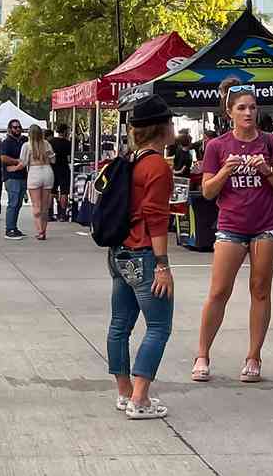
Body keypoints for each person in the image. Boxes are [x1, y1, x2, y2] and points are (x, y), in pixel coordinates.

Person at [192, 79, 273, 384]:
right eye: (242, 108)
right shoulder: (217, 146)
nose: (248, 113)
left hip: (266, 225)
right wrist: (225, 171)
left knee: (260, 289)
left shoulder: (271, 142)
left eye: (252, 107)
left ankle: (253, 356)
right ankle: (202, 354)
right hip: (231, 225)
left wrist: (267, 171)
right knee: (219, 290)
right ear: (230, 112)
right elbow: (207, 192)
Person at [105, 96, 175, 420]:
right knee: (159, 326)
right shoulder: (157, 166)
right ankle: (140, 398)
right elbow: (156, 217)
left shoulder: (129, 161)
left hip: (119, 253)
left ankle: (123, 392)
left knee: (120, 323)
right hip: (145, 253)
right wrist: (162, 265)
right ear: (163, 128)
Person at [20, 126, 55, 240]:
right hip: (47, 171)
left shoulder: (26, 145)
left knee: (36, 205)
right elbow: (53, 159)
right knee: (45, 206)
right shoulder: (46, 144)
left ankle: (39, 230)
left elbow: (24, 162)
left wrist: (14, 167)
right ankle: (43, 231)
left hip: (34, 172)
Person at [0, 118, 28, 239]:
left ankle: (14, 227)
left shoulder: (24, 140)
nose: (17, 129)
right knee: (13, 203)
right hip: (11, 177)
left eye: (18, 127)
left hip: (22, 176)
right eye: (14, 127)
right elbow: (3, 158)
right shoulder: (6, 142)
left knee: (18, 204)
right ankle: (9, 229)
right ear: (10, 129)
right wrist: (17, 161)